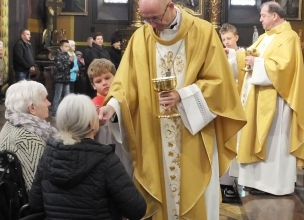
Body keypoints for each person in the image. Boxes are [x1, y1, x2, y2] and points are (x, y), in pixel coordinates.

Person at [98, 0, 247, 219]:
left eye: (155, 18)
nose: (151, 24)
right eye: (146, 19)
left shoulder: (203, 32)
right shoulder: (141, 38)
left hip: (193, 133)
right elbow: (124, 84)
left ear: (170, 6)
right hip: (154, 133)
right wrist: (112, 107)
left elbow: (219, 84)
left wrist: (182, 95)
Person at [29, 94, 147, 220]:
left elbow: (35, 203)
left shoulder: (49, 155)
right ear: (91, 123)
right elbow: (137, 209)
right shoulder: (106, 161)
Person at [236, 1, 304, 196]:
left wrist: (257, 63)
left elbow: (284, 68)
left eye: (263, 15)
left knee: (274, 142)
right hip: (258, 98)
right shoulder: (265, 37)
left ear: (274, 15)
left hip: (277, 101)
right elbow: (248, 54)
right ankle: (255, 181)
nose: (260, 19)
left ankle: (273, 185)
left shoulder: (289, 37)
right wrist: (234, 55)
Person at [0, 80, 56, 191]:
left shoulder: (11, 122)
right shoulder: (30, 139)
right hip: (25, 203)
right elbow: (35, 190)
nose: (49, 103)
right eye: (45, 99)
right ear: (32, 108)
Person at [88, 58, 133, 177]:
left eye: (107, 78)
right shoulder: (93, 106)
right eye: (98, 81)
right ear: (93, 85)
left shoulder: (125, 100)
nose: (104, 83)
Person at [218, 23, 245, 203]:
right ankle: (225, 183)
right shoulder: (219, 56)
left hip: (242, 102)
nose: (226, 42)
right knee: (226, 141)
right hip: (226, 104)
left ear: (236, 37)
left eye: (229, 38)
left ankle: (239, 180)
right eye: (223, 39)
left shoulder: (244, 54)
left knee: (241, 144)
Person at [51, 39, 74, 118]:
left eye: (68, 46)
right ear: (61, 47)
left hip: (66, 78)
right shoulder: (58, 56)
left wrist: (71, 62)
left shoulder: (67, 55)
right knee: (58, 95)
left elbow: (69, 67)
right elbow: (61, 67)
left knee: (67, 95)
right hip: (59, 79)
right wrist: (68, 62)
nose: (68, 48)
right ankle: (54, 112)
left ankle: (66, 112)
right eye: (66, 46)